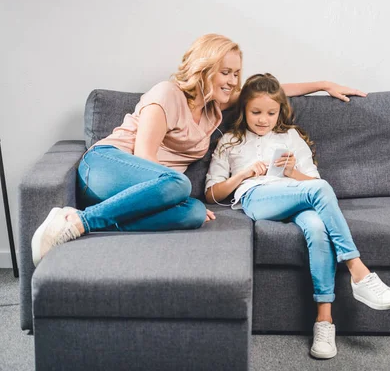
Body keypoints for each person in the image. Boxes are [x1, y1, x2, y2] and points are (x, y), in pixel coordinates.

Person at [31, 34, 367, 267]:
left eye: (236, 73)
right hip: (105, 167)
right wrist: (176, 194)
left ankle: (90, 223)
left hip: (138, 193)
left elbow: (269, 91)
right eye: (226, 72)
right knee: (181, 187)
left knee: (193, 214)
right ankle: (78, 219)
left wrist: (323, 84)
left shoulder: (213, 107)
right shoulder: (166, 94)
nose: (234, 81)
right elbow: (145, 160)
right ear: (204, 69)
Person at [205, 73, 390, 360]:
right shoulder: (231, 140)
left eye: (271, 113)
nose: (263, 119)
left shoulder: (291, 137)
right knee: (319, 190)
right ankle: (359, 271)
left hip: (296, 193)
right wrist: (244, 174)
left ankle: (324, 321)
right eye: (256, 112)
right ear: (244, 109)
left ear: (280, 112)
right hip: (257, 198)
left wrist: (292, 172)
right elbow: (211, 194)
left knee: (318, 226)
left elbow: (312, 181)